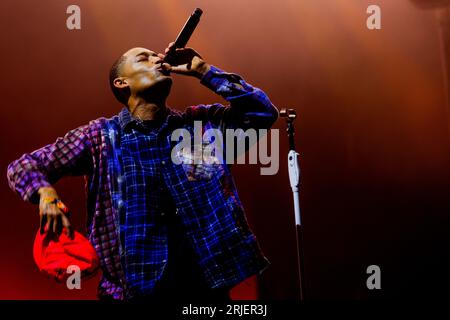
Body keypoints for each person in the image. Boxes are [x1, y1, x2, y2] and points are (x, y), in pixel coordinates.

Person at [6, 42, 278, 301]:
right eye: (144, 57)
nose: (158, 58)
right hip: (132, 293)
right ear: (121, 83)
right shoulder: (100, 137)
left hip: (207, 292)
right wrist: (45, 194)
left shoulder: (201, 126)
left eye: (156, 55)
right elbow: (24, 166)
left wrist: (205, 71)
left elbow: (262, 113)